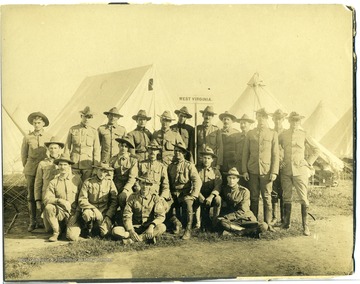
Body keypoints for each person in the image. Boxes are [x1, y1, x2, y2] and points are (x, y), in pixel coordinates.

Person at [278, 112, 320, 236]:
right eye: (292, 120)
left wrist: (308, 162)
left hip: (300, 170)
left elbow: (316, 150)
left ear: (300, 122)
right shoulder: (284, 134)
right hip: (286, 171)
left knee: (303, 198)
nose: (294, 123)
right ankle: (286, 224)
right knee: (286, 196)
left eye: (297, 121)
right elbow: (276, 147)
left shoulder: (304, 134)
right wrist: (281, 159)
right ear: (289, 121)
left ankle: (305, 226)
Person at [242, 108, 279, 231]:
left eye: (263, 117)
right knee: (254, 197)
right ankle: (253, 222)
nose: (261, 119)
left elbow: (275, 154)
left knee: (267, 197)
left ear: (266, 118)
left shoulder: (273, 134)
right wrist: (244, 170)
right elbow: (245, 153)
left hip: (266, 171)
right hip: (252, 170)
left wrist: (274, 171)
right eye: (259, 116)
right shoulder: (250, 133)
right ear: (256, 118)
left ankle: (268, 224)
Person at [21, 111, 53, 232]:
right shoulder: (27, 137)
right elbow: (23, 155)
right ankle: (33, 221)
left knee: (44, 194)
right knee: (31, 196)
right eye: (34, 123)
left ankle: (45, 221)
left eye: (39, 122)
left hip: (44, 169)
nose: (36, 125)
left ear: (43, 123)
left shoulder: (49, 137)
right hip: (31, 170)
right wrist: (28, 168)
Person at [112, 176, 167, 244]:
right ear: (139, 184)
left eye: (147, 184)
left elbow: (161, 216)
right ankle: (146, 238)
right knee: (115, 230)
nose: (145, 186)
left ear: (150, 186)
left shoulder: (155, 197)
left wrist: (151, 226)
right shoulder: (132, 197)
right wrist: (131, 230)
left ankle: (132, 240)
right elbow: (127, 215)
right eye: (143, 183)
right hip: (135, 227)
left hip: (148, 227)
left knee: (162, 227)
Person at [217, 168, 268, 238]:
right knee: (222, 223)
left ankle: (237, 233)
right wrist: (223, 218)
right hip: (234, 221)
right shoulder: (223, 190)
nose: (231, 180)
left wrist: (226, 217)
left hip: (246, 218)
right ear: (227, 178)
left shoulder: (244, 191)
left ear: (238, 179)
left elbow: (242, 210)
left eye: (234, 178)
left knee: (264, 226)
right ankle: (248, 232)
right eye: (230, 178)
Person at [43, 153, 82, 242]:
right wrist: (60, 201)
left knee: (71, 237)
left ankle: (70, 227)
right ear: (58, 166)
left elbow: (82, 197)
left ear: (69, 166)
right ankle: (56, 232)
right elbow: (46, 199)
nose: (63, 167)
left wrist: (77, 214)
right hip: (60, 212)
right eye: (60, 164)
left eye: (65, 165)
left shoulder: (77, 180)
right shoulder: (54, 181)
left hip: (74, 212)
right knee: (49, 207)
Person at [167, 141, 202, 240]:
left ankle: (188, 229)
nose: (177, 153)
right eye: (175, 151)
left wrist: (193, 195)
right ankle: (176, 223)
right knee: (164, 206)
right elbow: (167, 182)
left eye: (179, 151)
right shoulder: (170, 166)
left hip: (185, 193)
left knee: (188, 204)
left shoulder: (189, 165)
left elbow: (197, 181)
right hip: (173, 193)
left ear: (184, 153)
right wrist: (167, 194)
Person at [77, 162, 118, 238]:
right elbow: (82, 200)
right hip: (91, 210)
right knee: (87, 214)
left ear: (107, 173)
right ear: (96, 170)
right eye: (100, 170)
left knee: (104, 233)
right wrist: (94, 209)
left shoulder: (110, 183)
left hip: (104, 211)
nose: (102, 173)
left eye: (104, 171)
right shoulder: (88, 182)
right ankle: (88, 228)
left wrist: (108, 216)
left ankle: (99, 227)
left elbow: (114, 201)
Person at [34, 136, 64, 229]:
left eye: (55, 148)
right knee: (48, 229)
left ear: (59, 149)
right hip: (47, 196)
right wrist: (38, 200)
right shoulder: (42, 164)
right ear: (48, 149)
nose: (53, 150)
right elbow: (38, 183)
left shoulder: (65, 163)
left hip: (61, 196)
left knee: (63, 226)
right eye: (51, 148)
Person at [65, 106, 100, 181]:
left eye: (89, 117)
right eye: (85, 117)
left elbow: (96, 150)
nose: (87, 119)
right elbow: (67, 147)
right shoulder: (73, 129)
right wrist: (66, 163)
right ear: (81, 116)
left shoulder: (94, 132)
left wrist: (95, 167)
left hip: (87, 165)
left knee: (85, 187)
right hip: (74, 164)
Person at [138, 140, 172, 212]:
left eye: (155, 150)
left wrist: (162, 197)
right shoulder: (141, 164)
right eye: (150, 149)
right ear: (148, 151)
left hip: (156, 195)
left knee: (164, 208)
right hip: (142, 194)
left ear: (158, 152)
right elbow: (136, 181)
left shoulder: (162, 167)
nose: (152, 152)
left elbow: (165, 185)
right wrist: (139, 192)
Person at [194, 147, 222, 231]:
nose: (206, 160)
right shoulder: (196, 170)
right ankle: (197, 223)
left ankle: (215, 222)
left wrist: (211, 197)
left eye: (208, 158)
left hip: (211, 196)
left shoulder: (216, 171)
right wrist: (199, 195)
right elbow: (194, 184)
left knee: (218, 199)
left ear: (212, 160)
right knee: (194, 198)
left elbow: (218, 186)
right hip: (200, 194)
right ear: (202, 158)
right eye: (204, 158)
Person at [109, 135, 138, 211]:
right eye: (122, 145)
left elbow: (132, 178)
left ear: (128, 148)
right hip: (115, 185)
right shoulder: (113, 159)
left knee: (124, 197)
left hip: (128, 186)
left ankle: (124, 216)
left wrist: (125, 190)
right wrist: (113, 189)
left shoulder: (133, 160)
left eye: (126, 146)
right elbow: (110, 176)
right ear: (118, 146)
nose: (123, 148)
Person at [269, 109, 287, 226]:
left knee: (284, 192)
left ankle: (284, 218)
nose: (278, 120)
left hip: (284, 166)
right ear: (273, 119)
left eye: (280, 118)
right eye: (276, 118)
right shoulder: (270, 132)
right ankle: (275, 217)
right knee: (274, 191)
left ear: (283, 119)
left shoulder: (286, 133)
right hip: (272, 166)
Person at [218, 111, 240, 179]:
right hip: (222, 163)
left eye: (228, 119)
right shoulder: (218, 132)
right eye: (224, 119)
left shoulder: (237, 133)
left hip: (233, 163)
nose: (226, 121)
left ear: (232, 121)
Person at [235, 114, 255, 188]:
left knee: (252, 189)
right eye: (241, 123)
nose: (242, 125)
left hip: (251, 167)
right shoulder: (237, 136)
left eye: (244, 123)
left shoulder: (253, 136)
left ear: (249, 124)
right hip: (240, 167)